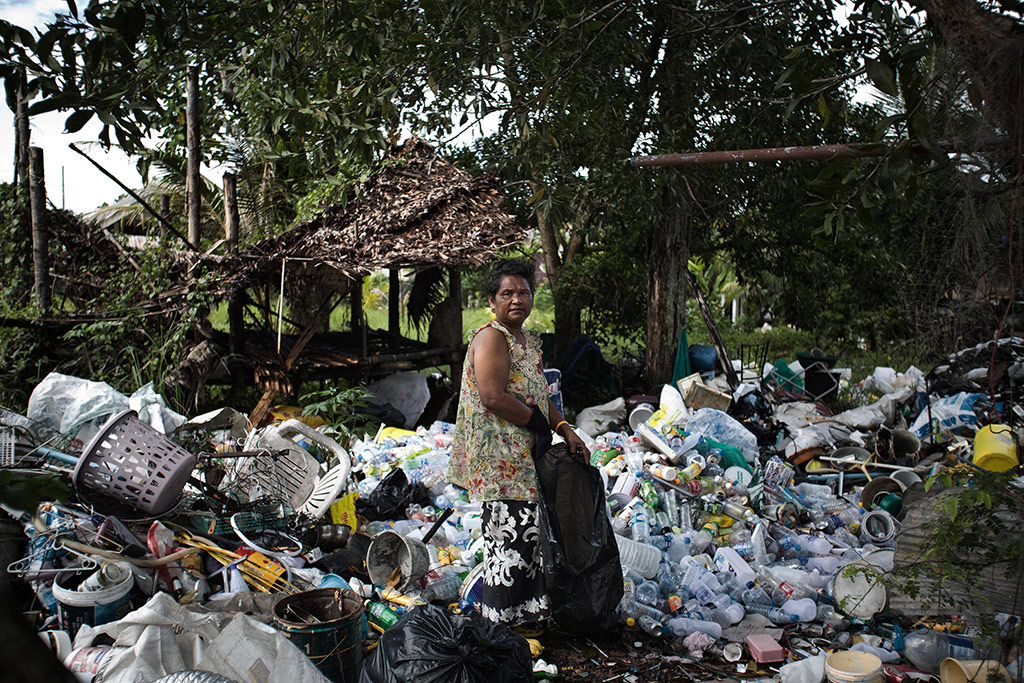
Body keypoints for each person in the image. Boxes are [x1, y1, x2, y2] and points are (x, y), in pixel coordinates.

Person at [447, 258, 590, 625]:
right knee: (509, 542)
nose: (516, 299)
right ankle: (501, 627)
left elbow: (539, 397)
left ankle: (528, 621)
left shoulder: (525, 341)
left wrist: (565, 430)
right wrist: (539, 425)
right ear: (491, 301)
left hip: (524, 456)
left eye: (523, 292)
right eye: (506, 293)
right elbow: (493, 396)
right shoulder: (492, 337)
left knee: (529, 537)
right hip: (500, 460)